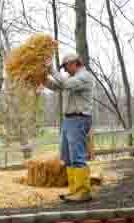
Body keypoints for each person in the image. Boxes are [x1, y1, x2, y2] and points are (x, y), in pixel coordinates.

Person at [44, 53, 94, 202]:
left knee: (77, 156)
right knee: (67, 156)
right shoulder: (72, 79)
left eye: (65, 67)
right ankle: (74, 190)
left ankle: (83, 191)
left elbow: (64, 83)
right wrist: (42, 78)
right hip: (69, 120)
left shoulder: (84, 77)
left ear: (74, 63)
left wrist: (52, 70)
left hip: (79, 119)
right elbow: (57, 86)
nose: (65, 71)